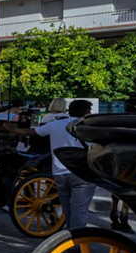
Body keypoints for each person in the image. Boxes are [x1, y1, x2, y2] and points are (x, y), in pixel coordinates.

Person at [35, 98, 96, 230]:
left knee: (67, 209)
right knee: (79, 209)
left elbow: (33, 132)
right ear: (85, 112)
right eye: (89, 110)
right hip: (81, 173)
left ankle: (69, 237)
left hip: (59, 171)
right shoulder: (87, 127)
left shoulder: (55, 124)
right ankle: (77, 240)